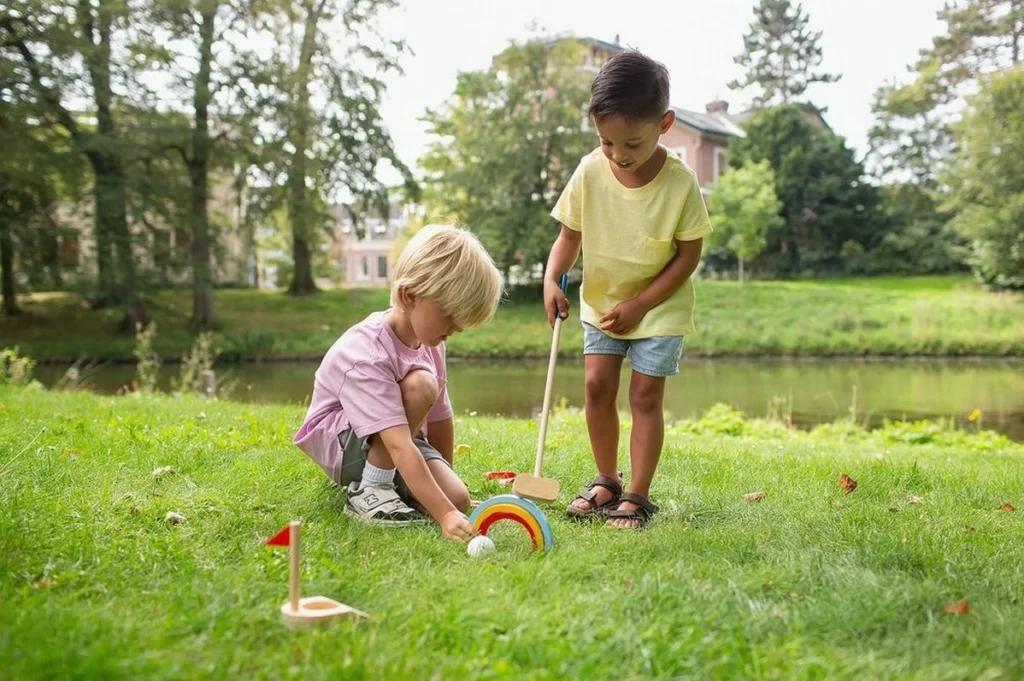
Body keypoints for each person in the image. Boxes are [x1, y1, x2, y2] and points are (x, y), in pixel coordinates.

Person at [544, 50, 712, 530]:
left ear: (665, 124)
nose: (618, 154)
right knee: (597, 386)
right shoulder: (590, 170)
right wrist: (551, 279)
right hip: (603, 303)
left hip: (657, 306)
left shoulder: (680, 183)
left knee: (643, 397)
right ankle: (606, 480)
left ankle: (637, 493)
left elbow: (688, 256)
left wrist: (641, 304)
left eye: (631, 142)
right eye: (607, 142)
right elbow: (568, 237)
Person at [293, 223, 503, 542]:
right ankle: (370, 489)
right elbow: (396, 443)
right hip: (344, 441)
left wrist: (447, 493)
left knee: (458, 498)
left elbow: (439, 417)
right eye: (450, 315)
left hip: (396, 437)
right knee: (422, 385)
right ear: (409, 296)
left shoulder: (431, 340)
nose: (457, 326)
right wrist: (444, 515)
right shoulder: (367, 353)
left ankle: (394, 483)